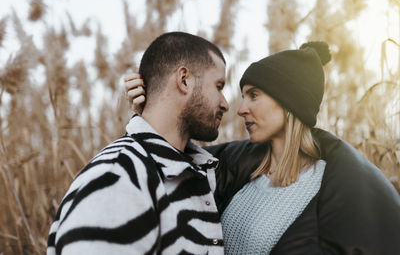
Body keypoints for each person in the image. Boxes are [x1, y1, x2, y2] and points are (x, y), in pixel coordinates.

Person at [126, 41, 400, 254]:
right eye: (243, 96)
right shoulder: (231, 168)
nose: (242, 109)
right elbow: (162, 169)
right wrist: (151, 114)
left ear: (289, 101)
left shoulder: (327, 186)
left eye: (254, 95)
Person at [47, 32, 230, 255]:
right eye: (219, 86)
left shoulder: (187, 168)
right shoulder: (117, 178)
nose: (225, 103)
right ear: (184, 80)